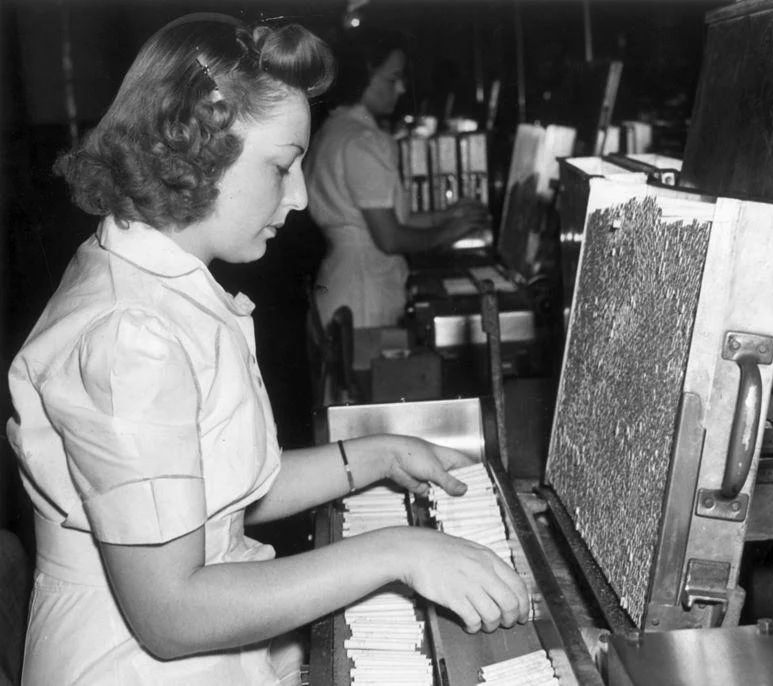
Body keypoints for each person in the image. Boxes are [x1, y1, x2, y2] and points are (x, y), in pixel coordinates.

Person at [6, 13, 529, 686]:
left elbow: (221, 492)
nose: (301, 195)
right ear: (195, 146)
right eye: (281, 166)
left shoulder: (156, 281)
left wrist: (374, 454)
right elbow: (170, 616)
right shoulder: (131, 335)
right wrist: (400, 551)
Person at [304, 27, 491, 328]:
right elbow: (389, 238)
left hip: (342, 286)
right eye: (393, 79)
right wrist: (449, 233)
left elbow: (378, 219)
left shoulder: (335, 130)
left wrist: (444, 215)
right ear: (364, 78)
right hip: (363, 298)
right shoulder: (363, 142)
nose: (402, 89)